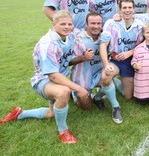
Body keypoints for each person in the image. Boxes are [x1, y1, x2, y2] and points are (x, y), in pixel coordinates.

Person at [1, 11, 88, 143]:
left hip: (59, 79)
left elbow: (67, 59)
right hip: (44, 81)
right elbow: (53, 76)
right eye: (62, 24)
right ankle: (63, 131)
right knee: (64, 92)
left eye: (69, 24)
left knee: (51, 114)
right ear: (54, 24)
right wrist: (78, 88)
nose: (67, 27)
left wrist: (83, 57)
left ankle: (20, 113)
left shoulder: (69, 36)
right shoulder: (48, 44)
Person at [69, 12, 123, 123]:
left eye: (99, 23)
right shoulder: (77, 38)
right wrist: (83, 57)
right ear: (86, 24)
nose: (96, 26)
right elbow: (67, 62)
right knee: (87, 106)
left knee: (107, 76)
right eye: (93, 23)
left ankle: (114, 106)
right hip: (82, 77)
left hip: (99, 73)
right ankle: (73, 93)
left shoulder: (105, 36)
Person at [100, 0, 144, 100]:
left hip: (131, 60)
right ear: (120, 10)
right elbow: (103, 45)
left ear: (134, 9)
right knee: (106, 76)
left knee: (128, 96)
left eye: (130, 7)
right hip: (116, 59)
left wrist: (130, 52)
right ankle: (110, 97)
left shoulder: (140, 25)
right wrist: (106, 65)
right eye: (124, 8)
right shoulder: (111, 23)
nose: (127, 10)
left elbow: (143, 45)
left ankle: (116, 82)